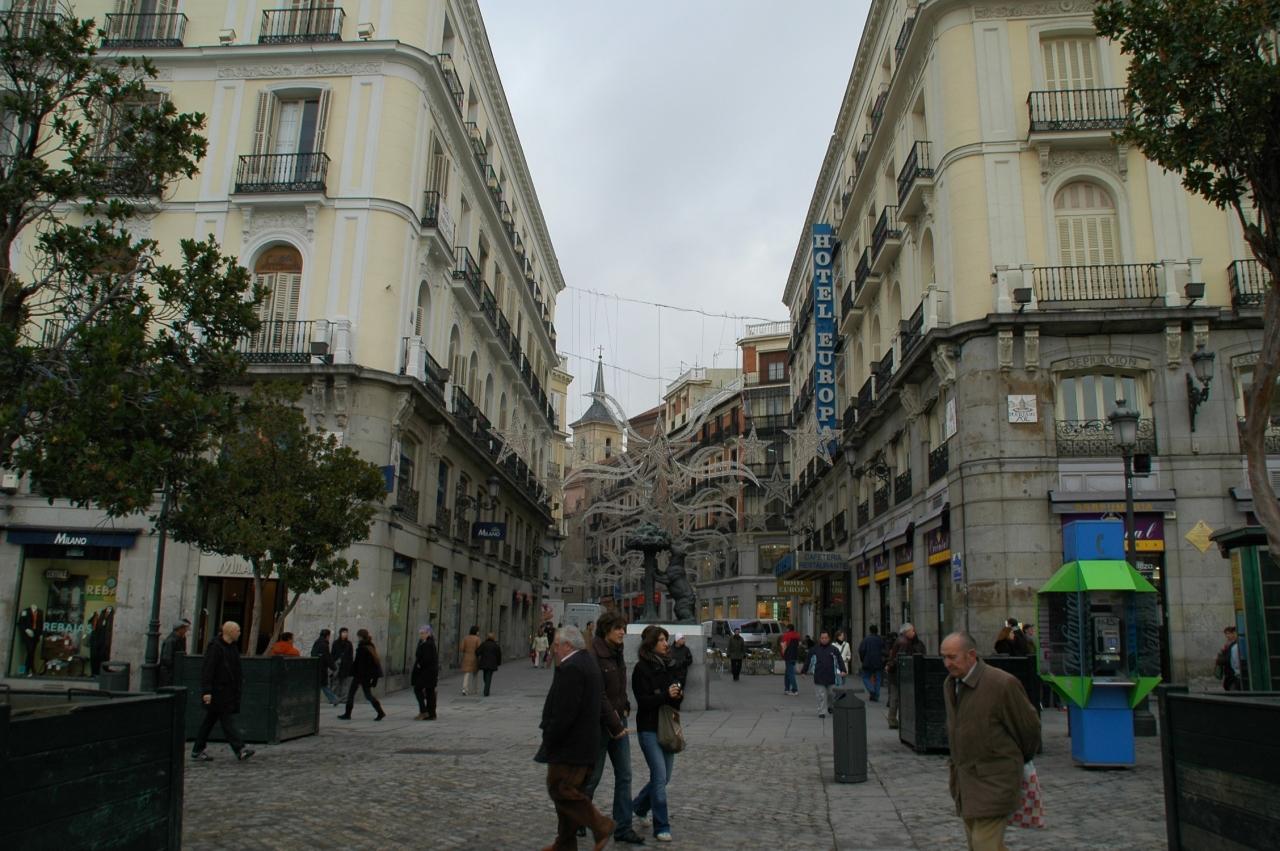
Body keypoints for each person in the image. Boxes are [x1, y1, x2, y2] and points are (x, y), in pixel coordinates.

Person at [940, 632, 1041, 851]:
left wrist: (1017, 759)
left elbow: (1028, 728)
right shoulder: (951, 684)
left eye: (952, 657)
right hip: (965, 781)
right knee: (978, 843)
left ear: (971, 655)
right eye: (944, 657)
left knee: (983, 844)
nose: (947, 663)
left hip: (996, 780)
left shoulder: (1001, 683)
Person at [539, 625, 615, 851]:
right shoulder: (587, 662)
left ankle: (601, 825)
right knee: (571, 793)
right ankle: (565, 843)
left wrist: (551, 735)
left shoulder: (571, 667)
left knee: (560, 789)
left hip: (570, 745)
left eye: (556, 645)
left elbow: (565, 710)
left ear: (567, 645)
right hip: (585, 743)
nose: (554, 650)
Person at [584, 613, 646, 846]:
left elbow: (618, 687)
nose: (622, 632)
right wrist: (615, 723)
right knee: (593, 777)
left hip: (619, 720)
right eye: (618, 628)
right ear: (606, 630)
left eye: (623, 628)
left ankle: (623, 827)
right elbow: (598, 694)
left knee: (625, 774)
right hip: (600, 725)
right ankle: (578, 818)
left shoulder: (617, 651)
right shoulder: (594, 654)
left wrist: (626, 705)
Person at [631, 625, 683, 843]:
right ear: (651, 644)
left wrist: (677, 693)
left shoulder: (669, 665)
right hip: (649, 728)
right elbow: (643, 701)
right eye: (661, 640)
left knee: (664, 777)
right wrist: (665, 695)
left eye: (665, 639)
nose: (665, 643)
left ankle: (639, 806)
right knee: (659, 776)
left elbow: (675, 696)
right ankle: (662, 825)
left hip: (667, 727)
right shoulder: (641, 669)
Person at [192, 621, 254, 762]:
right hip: (218, 691)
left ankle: (197, 749)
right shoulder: (215, 647)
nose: (239, 633)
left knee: (209, 721)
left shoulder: (232, 647)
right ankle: (240, 749)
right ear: (230, 632)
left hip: (228, 691)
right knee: (226, 721)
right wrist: (207, 691)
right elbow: (208, 670)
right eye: (237, 630)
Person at [338, 628, 385, 720]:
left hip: (359, 675)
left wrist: (352, 671)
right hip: (366, 676)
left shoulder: (362, 648)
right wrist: (374, 678)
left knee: (351, 694)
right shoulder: (370, 646)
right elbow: (374, 663)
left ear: (360, 637)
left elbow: (358, 663)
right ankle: (380, 712)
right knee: (368, 695)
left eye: (358, 636)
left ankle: (347, 714)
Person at [885, 622, 926, 729]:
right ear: (906, 632)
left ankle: (894, 719)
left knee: (896, 697)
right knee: (897, 697)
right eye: (912, 631)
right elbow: (900, 658)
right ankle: (894, 720)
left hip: (900, 674)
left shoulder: (909, 641)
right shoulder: (904, 642)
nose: (914, 632)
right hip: (901, 674)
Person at [811, 630, 848, 718]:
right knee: (821, 695)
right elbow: (809, 660)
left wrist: (843, 670)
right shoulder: (815, 649)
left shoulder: (834, 649)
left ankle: (830, 706)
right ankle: (821, 711)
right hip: (819, 676)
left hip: (831, 676)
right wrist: (804, 671)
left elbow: (840, 660)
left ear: (829, 638)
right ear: (820, 639)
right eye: (822, 638)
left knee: (831, 694)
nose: (824, 639)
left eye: (826, 638)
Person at [412, 625, 439, 720]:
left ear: (428, 633)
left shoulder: (428, 644)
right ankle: (431, 713)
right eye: (420, 633)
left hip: (427, 672)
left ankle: (424, 711)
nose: (421, 635)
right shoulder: (424, 642)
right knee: (429, 691)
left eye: (423, 633)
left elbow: (426, 659)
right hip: (428, 672)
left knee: (418, 689)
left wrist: (420, 664)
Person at [310, 628, 340, 706]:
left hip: (316, 666)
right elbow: (327, 657)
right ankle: (334, 699)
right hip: (322, 668)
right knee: (323, 685)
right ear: (327, 636)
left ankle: (333, 699)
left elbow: (313, 653)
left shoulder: (317, 642)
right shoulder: (324, 644)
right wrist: (333, 667)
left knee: (320, 685)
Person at [158, 618, 190, 688]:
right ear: (180, 629)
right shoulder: (171, 641)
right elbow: (167, 659)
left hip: (172, 673)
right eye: (185, 629)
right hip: (168, 674)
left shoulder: (180, 639)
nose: (186, 631)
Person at [858, 625, 887, 702]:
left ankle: (872, 690)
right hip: (878, 662)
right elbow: (884, 651)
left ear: (870, 631)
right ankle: (876, 695)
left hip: (868, 661)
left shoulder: (866, 639)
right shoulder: (880, 639)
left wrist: (863, 660)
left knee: (865, 677)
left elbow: (861, 650)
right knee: (878, 679)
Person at [332, 627, 355, 700]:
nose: (345, 634)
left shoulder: (349, 644)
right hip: (337, 664)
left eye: (346, 632)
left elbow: (350, 656)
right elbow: (333, 654)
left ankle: (344, 698)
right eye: (344, 632)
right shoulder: (336, 643)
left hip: (346, 665)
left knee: (345, 682)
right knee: (336, 682)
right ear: (340, 633)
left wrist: (350, 665)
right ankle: (334, 697)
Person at [1218, 626, 1243, 691]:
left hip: (1232, 672)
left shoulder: (1235, 646)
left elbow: (1234, 661)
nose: (1227, 635)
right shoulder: (1229, 644)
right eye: (1226, 634)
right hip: (1230, 672)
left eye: (1229, 633)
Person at [477, 631, 502, 696]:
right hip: (492, 664)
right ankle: (487, 688)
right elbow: (499, 655)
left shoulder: (484, 644)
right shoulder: (496, 646)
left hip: (484, 663)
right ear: (493, 638)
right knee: (488, 677)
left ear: (487, 637)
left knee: (485, 676)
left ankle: (486, 691)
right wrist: (498, 663)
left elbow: (478, 652)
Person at [780, 623, 801, 695]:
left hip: (788, 656)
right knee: (787, 672)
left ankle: (794, 689)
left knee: (790, 673)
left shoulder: (786, 635)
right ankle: (787, 689)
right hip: (794, 656)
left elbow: (783, 646)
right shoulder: (797, 635)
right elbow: (799, 645)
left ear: (788, 629)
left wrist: (783, 654)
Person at [460, 625, 481, 695]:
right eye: (478, 631)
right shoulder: (477, 639)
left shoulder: (465, 638)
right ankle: (475, 689)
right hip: (474, 658)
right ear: (476, 631)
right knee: (475, 674)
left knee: (466, 674)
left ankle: (464, 689)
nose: (478, 632)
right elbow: (479, 648)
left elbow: (461, 648)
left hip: (466, 657)